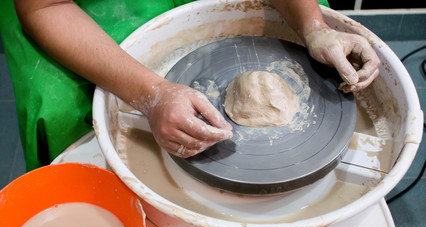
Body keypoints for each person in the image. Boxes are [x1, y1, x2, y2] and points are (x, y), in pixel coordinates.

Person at [0, 0, 380, 171]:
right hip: (73, 9)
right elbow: (43, 7)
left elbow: (309, 22)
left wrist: (314, 28)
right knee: (61, 106)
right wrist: (151, 94)